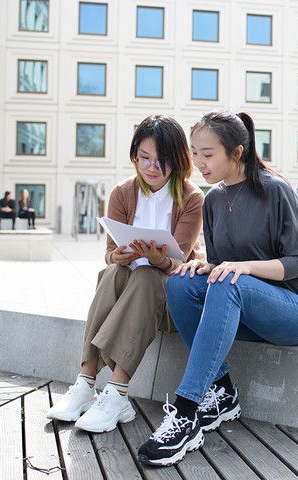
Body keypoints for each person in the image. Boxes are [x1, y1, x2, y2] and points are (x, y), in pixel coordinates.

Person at [138, 111, 298, 466]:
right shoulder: (213, 200)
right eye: (195, 153)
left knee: (231, 281)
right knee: (181, 282)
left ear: (236, 152)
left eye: (208, 154)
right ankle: (222, 392)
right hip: (245, 306)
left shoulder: (275, 190)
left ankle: (186, 412)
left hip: (297, 311)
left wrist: (243, 268)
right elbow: (222, 267)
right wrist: (203, 266)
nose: (198, 163)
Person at [46, 114, 205, 433]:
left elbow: (178, 264)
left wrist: (154, 258)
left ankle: (117, 392)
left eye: (162, 161)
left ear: (179, 160)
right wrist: (118, 253)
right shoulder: (122, 193)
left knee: (146, 275)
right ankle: (85, 382)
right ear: (135, 154)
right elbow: (109, 253)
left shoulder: (191, 197)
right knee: (112, 272)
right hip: (128, 293)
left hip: (170, 302)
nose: (151, 168)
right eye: (143, 158)